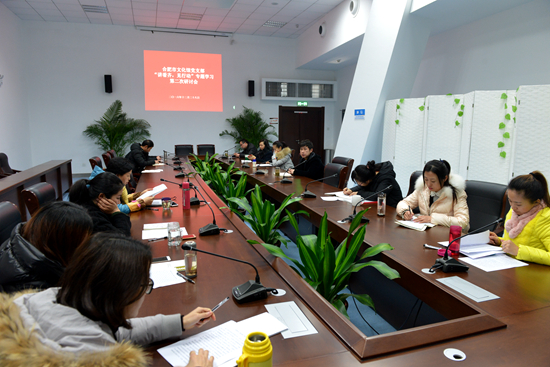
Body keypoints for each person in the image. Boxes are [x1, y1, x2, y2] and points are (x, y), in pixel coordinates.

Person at [2, 233, 215, 367]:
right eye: (144, 285)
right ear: (120, 295)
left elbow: (115, 330)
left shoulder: (53, 298)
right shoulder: (91, 356)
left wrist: (180, 322)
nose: (144, 292)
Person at [0, 201, 93, 293]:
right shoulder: (34, 291)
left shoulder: (25, 239)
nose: (86, 247)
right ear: (63, 245)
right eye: (83, 242)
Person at [489, 171, 550, 266]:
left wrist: (519, 251)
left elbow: (517, 248)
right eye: (510, 201)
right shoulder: (516, 211)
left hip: (533, 272)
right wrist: (499, 242)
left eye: (518, 204)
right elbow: (513, 243)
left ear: (536, 202)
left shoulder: (545, 218)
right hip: (509, 266)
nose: (512, 207)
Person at [396, 160, 469, 230]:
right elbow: (404, 203)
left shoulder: (456, 193)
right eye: (426, 179)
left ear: (445, 178)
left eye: (433, 181)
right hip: (426, 232)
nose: (428, 184)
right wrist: (405, 211)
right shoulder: (423, 188)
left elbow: (462, 221)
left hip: (447, 236)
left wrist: (432, 219)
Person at [90, 157, 154, 213]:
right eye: (127, 176)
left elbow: (119, 199)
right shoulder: (104, 184)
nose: (129, 179)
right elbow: (116, 208)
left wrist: (139, 195)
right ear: (117, 176)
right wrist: (141, 203)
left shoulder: (109, 180)